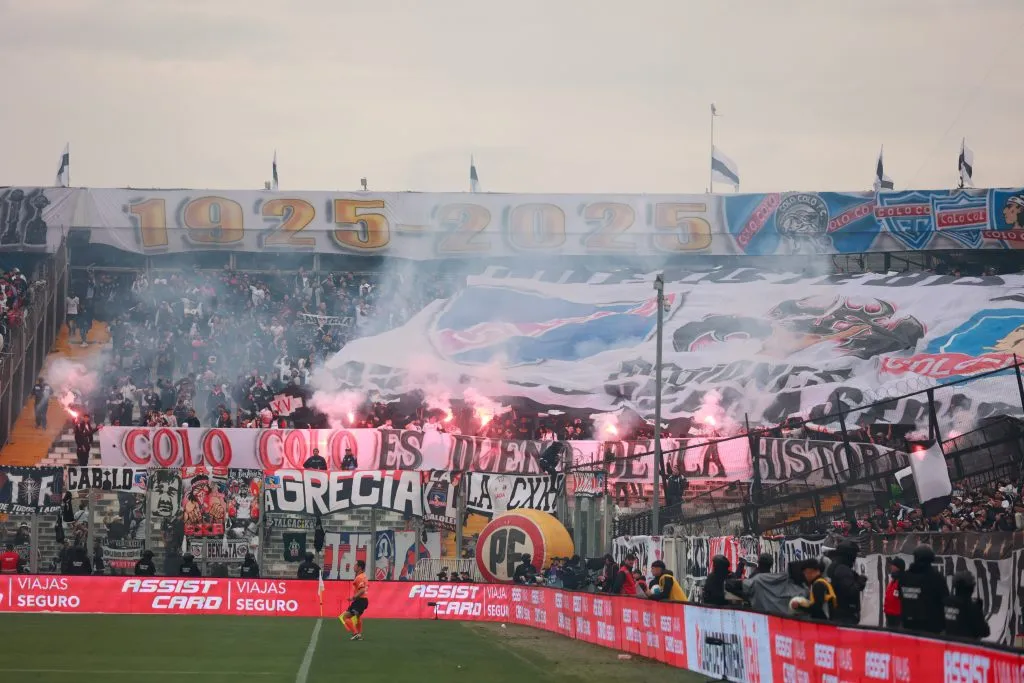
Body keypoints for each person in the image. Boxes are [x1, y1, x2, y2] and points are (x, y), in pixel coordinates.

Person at [899, 545, 948, 634]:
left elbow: (900, 598)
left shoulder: (904, 577)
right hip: (932, 627)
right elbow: (945, 601)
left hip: (908, 625)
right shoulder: (936, 578)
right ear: (931, 559)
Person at [824, 541, 864, 625]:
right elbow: (851, 591)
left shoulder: (835, 566)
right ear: (849, 554)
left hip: (837, 611)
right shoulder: (842, 569)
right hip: (845, 614)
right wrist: (860, 582)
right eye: (854, 554)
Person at [944, 571, 990, 640]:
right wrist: (979, 612)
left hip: (944, 643)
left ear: (955, 586)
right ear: (972, 588)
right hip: (965, 645)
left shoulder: (944, 602)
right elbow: (985, 632)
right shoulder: (973, 608)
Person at [340, 559, 369, 641]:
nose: (354, 567)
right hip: (363, 600)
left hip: (360, 600)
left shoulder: (359, 577)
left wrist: (353, 597)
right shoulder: (363, 576)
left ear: (359, 567)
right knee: (357, 617)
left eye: (355, 565)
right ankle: (358, 634)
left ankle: (355, 633)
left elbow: (362, 590)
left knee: (345, 616)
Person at [883, 557, 905, 628]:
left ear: (898, 567)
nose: (891, 567)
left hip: (898, 617)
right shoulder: (893, 581)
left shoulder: (903, 580)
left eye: (893, 565)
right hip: (889, 615)